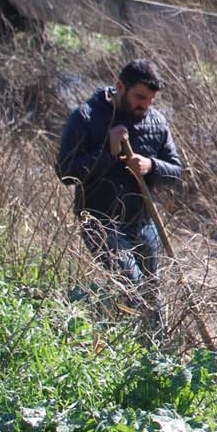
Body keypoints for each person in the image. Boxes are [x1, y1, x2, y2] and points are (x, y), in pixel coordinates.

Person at [55, 59, 183, 327]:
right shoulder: (86, 117)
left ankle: (156, 346)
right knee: (132, 287)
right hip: (100, 221)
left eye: (150, 100)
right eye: (139, 97)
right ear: (120, 87)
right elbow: (66, 172)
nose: (145, 105)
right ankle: (113, 339)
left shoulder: (156, 122)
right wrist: (108, 154)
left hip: (143, 221)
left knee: (151, 292)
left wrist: (151, 166)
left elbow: (176, 172)